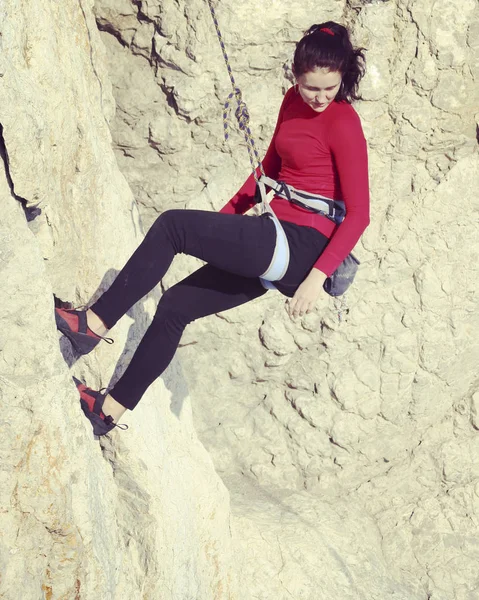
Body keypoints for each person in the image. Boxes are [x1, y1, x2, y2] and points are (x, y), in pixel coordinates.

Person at [55, 22, 370, 437]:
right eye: (313, 87)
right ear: (296, 75)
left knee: (172, 226)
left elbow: (359, 214)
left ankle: (92, 325)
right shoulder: (292, 102)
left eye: (331, 88)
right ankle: (107, 410)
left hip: (301, 248)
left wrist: (317, 278)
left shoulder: (344, 121)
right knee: (175, 308)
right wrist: (226, 220)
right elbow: (268, 171)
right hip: (274, 237)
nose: (321, 97)